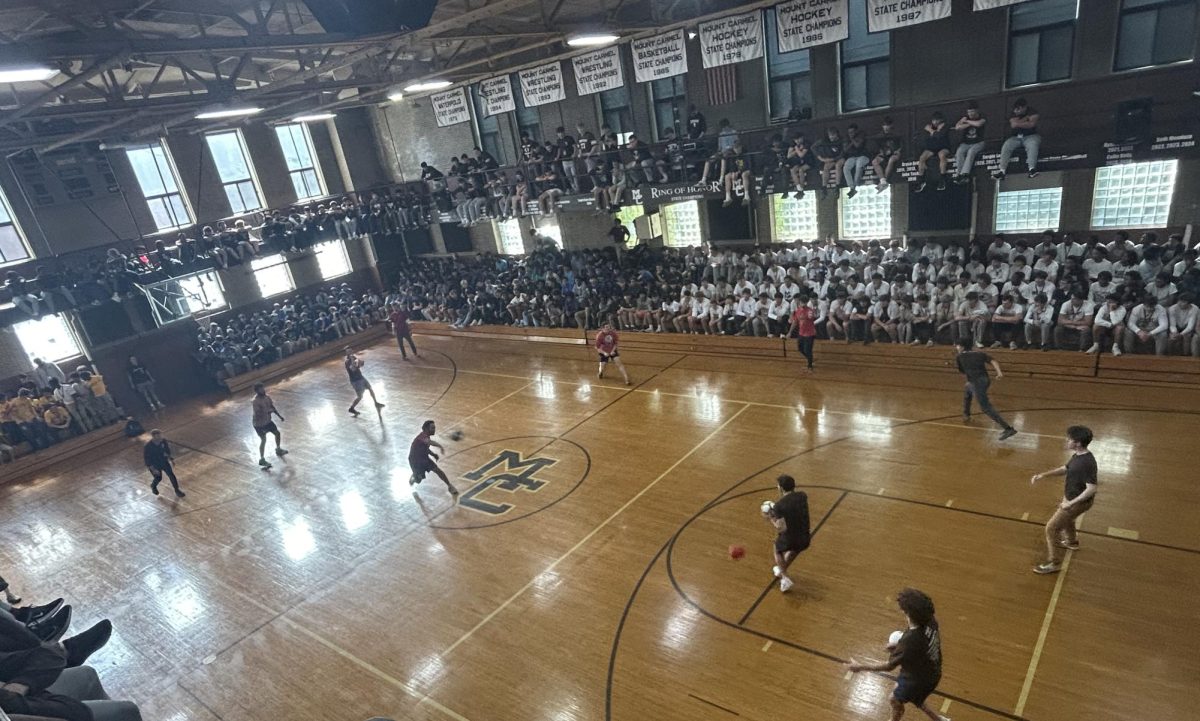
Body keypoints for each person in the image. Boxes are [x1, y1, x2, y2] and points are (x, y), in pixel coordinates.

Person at [847, 588, 950, 721]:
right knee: (915, 696)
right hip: (932, 669)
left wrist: (860, 666)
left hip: (918, 679)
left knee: (894, 699)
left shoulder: (909, 643)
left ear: (907, 612)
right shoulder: (931, 621)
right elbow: (922, 642)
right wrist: (900, 646)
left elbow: (889, 667)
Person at [1030, 425, 1097, 575]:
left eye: (1069, 439)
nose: (1067, 441)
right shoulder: (1079, 456)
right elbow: (1065, 469)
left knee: (1051, 528)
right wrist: (1043, 475)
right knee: (1068, 520)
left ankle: (1053, 562)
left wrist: (1069, 504)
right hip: (1072, 499)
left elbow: (1091, 488)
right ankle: (1072, 542)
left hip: (1076, 502)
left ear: (1078, 443)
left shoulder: (1086, 462)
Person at [955, 338, 1017, 440]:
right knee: (967, 389)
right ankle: (966, 413)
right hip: (985, 380)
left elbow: (962, 371)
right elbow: (993, 361)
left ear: (961, 346)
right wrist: (999, 372)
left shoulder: (960, 357)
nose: (956, 347)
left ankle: (1008, 428)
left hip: (976, 383)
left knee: (986, 407)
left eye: (957, 345)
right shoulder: (979, 354)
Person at [761, 474, 810, 593]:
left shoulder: (779, 506)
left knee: (777, 548)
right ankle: (780, 569)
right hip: (805, 536)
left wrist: (770, 517)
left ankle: (785, 578)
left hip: (792, 538)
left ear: (781, 488)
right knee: (793, 551)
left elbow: (781, 528)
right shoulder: (802, 496)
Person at [992, 97, 1041, 180]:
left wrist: (1020, 122)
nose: (1016, 111)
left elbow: (1031, 124)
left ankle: (1032, 169)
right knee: (1006, 145)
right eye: (1015, 109)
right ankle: (1002, 171)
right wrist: (1026, 119)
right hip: (1016, 137)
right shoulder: (1013, 113)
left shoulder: (1032, 111)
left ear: (1024, 107)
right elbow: (1013, 125)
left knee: (1033, 145)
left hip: (1031, 135)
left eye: (1019, 109)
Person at [408, 420, 458, 498]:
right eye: (432, 428)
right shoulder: (422, 437)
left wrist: (433, 454)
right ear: (426, 429)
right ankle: (415, 476)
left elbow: (424, 449)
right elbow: (429, 442)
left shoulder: (426, 437)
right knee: (419, 480)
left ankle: (450, 486)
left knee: (438, 471)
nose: (434, 429)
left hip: (424, 459)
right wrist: (439, 446)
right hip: (415, 461)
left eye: (434, 428)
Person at [251, 383, 287, 468]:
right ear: (257, 391)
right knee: (263, 440)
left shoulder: (267, 397)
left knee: (277, 433)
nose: (263, 390)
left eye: (263, 388)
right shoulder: (255, 401)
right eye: (260, 389)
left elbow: (272, 407)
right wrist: (267, 412)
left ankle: (278, 449)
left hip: (268, 421)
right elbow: (258, 413)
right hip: (259, 424)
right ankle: (262, 459)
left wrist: (279, 416)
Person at [143, 429, 184, 497]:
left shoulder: (163, 441)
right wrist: (153, 469)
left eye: (160, 435)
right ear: (153, 436)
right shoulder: (148, 446)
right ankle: (153, 486)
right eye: (158, 436)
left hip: (163, 462)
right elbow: (147, 460)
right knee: (158, 478)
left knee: (171, 475)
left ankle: (177, 490)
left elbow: (167, 451)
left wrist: (170, 459)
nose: (160, 437)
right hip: (155, 465)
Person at [344, 347, 385, 416]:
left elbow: (359, 364)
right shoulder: (347, 362)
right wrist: (355, 363)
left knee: (370, 388)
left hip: (360, 377)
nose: (351, 352)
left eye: (351, 351)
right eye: (349, 352)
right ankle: (352, 408)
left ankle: (376, 403)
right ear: (347, 353)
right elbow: (353, 369)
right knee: (360, 396)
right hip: (356, 381)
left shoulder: (354, 357)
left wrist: (360, 363)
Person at [787, 294, 818, 372]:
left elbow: (812, 317)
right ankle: (810, 360)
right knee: (800, 348)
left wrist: (812, 312)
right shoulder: (798, 311)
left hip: (810, 333)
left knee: (808, 350)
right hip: (801, 333)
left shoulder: (809, 311)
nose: (803, 304)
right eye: (802, 302)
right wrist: (790, 332)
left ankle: (810, 366)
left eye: (805, 302)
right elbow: (795, 322)